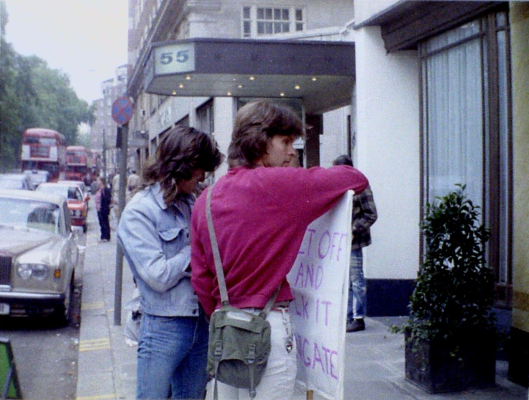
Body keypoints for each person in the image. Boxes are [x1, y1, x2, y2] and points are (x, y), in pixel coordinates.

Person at [190, 100, 369, 400]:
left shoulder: (204, 201)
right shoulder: (280, 186)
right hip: (268, 328)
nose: (292, 151)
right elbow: (355, 179)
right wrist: (295, 173)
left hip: (225, 331)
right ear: (260, 142)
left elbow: (201, 281)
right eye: (285, 142)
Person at [117, 126, 223, 400]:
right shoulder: (139, 212)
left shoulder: (193, 201)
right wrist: (196, 249)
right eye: (199, 168)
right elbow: (158, 275)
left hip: (201, 321)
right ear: (180, 166)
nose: (203, 176)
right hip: (164, 326)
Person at [333, 154, 378, 332]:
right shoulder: (338, 186)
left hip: (353, 241)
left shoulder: (361, 186)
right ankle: (349, 317)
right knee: (346, 282)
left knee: (356, 280)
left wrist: (352, 230)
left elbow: (371, 214)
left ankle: (358, 318)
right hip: (340, 241)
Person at [94, 176, 112, 242]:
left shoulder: (104, 190)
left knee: (104, 222)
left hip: (103, 209)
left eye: (98, 181)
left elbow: (108, 199)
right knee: (101, 223)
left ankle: (106, 236)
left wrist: (105, 207)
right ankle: (103, 235)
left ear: (101, 181)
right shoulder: (98, 189)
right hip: (99, 209)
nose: (97, 182)